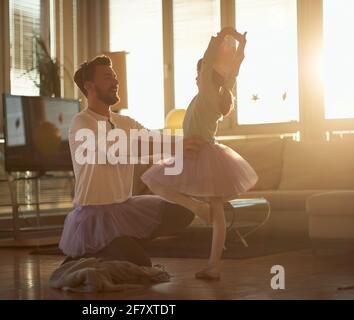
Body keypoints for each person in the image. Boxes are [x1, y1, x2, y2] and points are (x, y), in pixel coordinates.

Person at [59, 55, 203, 267]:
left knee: (183, 211)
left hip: (124, 209)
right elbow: (114, 150)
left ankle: (119, 244)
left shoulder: (124, 122)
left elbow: (153, 139)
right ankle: (94, 250)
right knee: (141, 266)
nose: (116, 81)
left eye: (115, 76)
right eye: (108, 77)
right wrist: (174, 146)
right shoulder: (82, 122)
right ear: (90, 86)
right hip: (93, 217)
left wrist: (187, 143)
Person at [141, 27, 258, 280]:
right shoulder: (221, 91)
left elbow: (209, 65)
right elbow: (235, 70)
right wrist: (241, 46)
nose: (197, 76)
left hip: (199, 151)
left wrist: (221, 36)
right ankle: (213, 264)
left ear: (205, 73)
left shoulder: (207, 92)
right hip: (203, 150)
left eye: (199, 72)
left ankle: (197, 211)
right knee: (215, 210)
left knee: (154, 182)